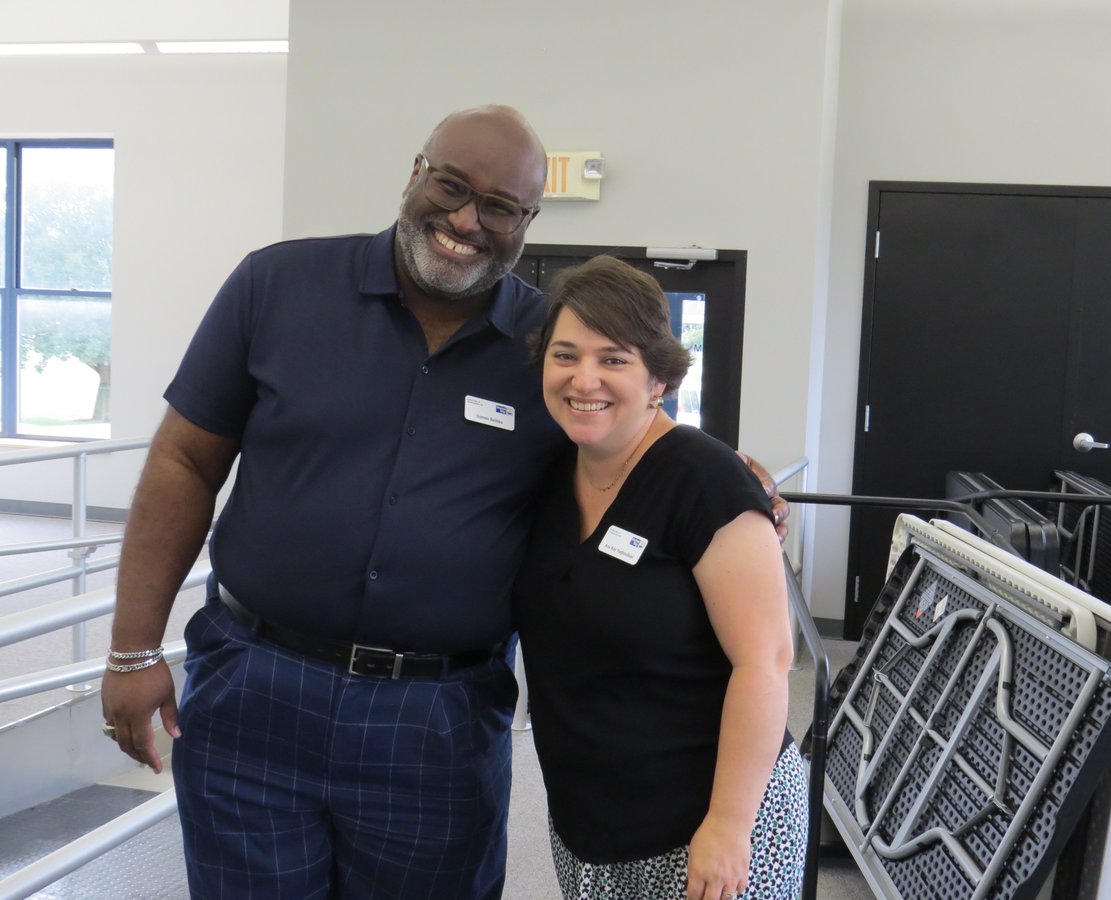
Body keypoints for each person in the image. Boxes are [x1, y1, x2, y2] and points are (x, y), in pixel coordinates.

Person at [100, 105, 788, 898]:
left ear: (527, 222)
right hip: (255, 686)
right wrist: (133, 648)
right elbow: (184, 459)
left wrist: (734, 480)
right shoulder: (278, 285)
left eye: (499, 206)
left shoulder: (546, 345)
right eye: (452, 186)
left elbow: (627, 429)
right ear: (415, 174)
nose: (466, 220)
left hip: (436, 719)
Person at [513, 256, 806, 900]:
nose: (584, 378)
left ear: (659, 379)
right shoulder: (549, 471)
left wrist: (729, 826)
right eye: (565, 355)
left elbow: (765, 662)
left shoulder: (707, 480)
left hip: (706, 822)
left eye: (614, 359)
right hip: (589, 818)